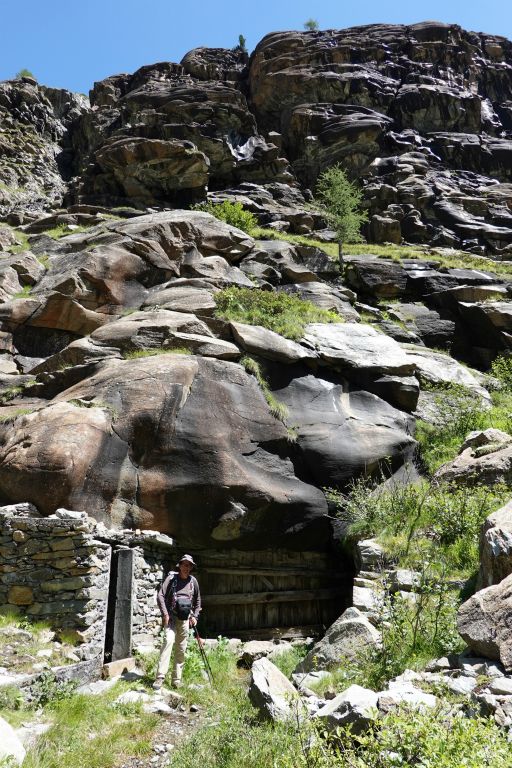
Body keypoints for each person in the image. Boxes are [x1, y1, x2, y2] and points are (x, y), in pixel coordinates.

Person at [153, 553, 201, 690]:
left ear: (191, 567)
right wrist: (165, 614)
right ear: (179, 565)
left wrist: (195, 616)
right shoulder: (172, 578)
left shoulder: (193, 582)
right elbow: (160, 595)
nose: (186, 567)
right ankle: (160, 677)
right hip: (171, 618)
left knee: (181, 648)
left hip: (185, 620)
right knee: (168, 641)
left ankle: (176, 680)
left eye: (189, 565)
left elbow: (197, 601)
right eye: (184, 565)